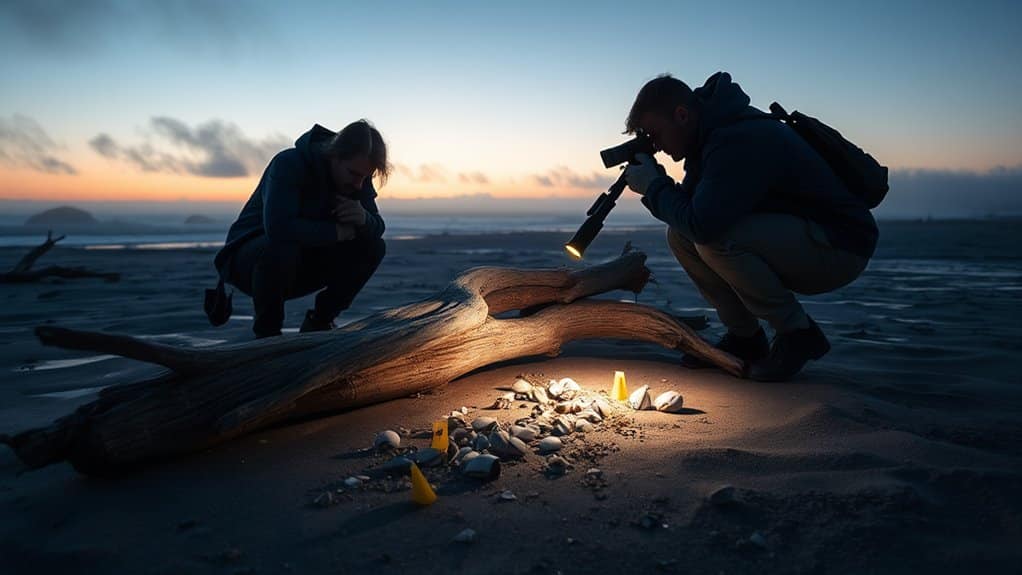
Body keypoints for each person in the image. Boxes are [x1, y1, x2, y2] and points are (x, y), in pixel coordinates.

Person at [622, 72, 878, 381]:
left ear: (681, 115)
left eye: (657, 135)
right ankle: (746, 339)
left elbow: (703, 224)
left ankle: (798, 334)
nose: (657, 147)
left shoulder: (736, 139)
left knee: (713, 238)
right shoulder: (710, 137)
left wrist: (654, 186)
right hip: (808, 237)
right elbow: (689, 217)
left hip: (841, 246)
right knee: (680, 236)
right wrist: (657, 185)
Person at [213, 120, 389, 339]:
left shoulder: (357, 176)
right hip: (249, 263)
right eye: (354, 174)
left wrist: (364, 219)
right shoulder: (288, 163)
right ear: (334, 155)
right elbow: (279, 229)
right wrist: (338, 233)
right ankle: (267, 338)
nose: (359, 185)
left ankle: (319, 322)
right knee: (280, 246)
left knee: (373, 246)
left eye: (366, 177)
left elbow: (378, 228)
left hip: (300, 263)